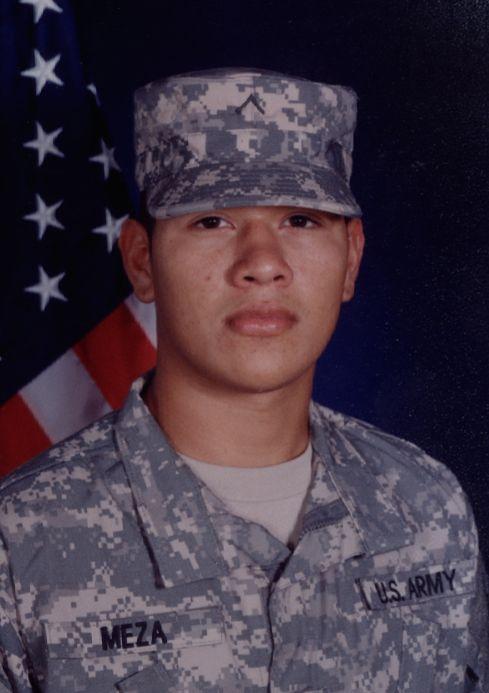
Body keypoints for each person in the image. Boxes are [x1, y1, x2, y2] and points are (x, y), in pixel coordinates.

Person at [0, 68, 487, 692]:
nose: (262, 264)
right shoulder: (22, 543)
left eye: (301, 220)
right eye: (211, 221)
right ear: (142, 262)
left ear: (351, 258)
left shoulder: (425, 508)